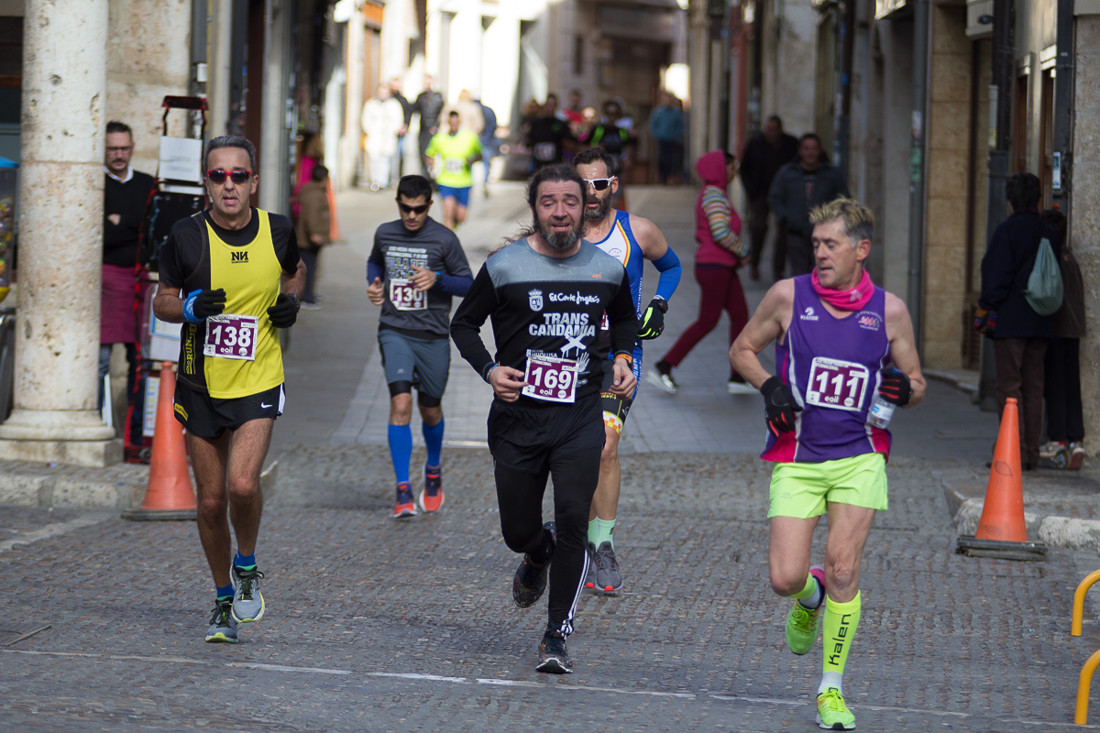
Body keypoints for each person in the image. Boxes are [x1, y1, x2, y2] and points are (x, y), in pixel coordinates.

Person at [730, 197, 926, 731]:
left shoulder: (889, 311)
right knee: (785, 577)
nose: (819, 253)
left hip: (860, 458)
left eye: (831, 244)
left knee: (845, 568)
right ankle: (808, 598)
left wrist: (903, 387)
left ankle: (830, 689)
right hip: (797, 456)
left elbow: (917, 383)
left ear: (861, 250)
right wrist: (769, 385)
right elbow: (742, 348)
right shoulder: (788, 296)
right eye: (816, 244)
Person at [450, 164, 639, 674]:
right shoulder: (505, 266)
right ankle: (538, 552)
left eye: (571, 202)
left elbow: (624, 318)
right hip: (518, 420)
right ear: (534, 208)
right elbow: (463, 324)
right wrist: (489, 370)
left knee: (575, 519)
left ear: (586, 207)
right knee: (518, 530)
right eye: (550, 202)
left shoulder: (606, 268)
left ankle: (556, 634)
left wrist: (622, 359)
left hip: (579, 419)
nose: (561, 211)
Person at [153, 135, 306, 644]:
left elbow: (295, 271)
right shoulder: (186, 236)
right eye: (218, 175)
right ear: (205, 183)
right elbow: (162, 300)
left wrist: (291, 302)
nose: (229, 185)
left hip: (259, 375)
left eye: (238, 175)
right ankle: (223, 599)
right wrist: (191, 309)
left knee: (243, 485)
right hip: (200, 381)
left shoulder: (277, 230)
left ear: (254, 182)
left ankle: (246, 564)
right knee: (211, 501)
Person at [573, 147, 681, 594]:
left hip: (620, 354)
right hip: (566, 356)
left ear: (613, 185)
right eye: (583, 185)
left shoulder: (637, 230)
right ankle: (568, 531)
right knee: (567, 451)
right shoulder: (559, 233)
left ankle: (602, 545)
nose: (591, 193)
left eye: (599, 184)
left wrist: (658, 302)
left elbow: (671, 266)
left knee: (605, 445)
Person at [367, 175, 473, 517]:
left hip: (432, 336)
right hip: (394, 330)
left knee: (430, 409)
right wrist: (374, 282)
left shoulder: (445, 239)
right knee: (400, 404)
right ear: (398, 203)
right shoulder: (385, 233)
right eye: (405, 208)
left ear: (429, 205)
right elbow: (374, 261)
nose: (411, 216)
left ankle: (433, 467)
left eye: (418, 209)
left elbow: (470, 285)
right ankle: (402, 489)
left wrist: (438, 279)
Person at [649, 151, 753, 395]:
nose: (734, 172)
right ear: (720, 169)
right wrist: (743, 251)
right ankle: (664, 366)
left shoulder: (715, 193)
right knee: (708, 320)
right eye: (731, 167)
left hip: (722, 266)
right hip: (715, 266)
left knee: (740, 316)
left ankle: (738, 376)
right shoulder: (714, 195)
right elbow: (720, 231)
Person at [977, 172, 1061, 470]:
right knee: (1034, 388)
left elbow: (995, 279)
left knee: (1009, 389)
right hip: (1041, 320)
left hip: (1011, 322)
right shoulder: (1048, 232)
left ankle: (1012, 452)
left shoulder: (1007, 231)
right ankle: (1031, 452)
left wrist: (987, 306)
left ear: (1011, 200)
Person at [101, 120, 157, 461]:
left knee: (141, 363)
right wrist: (126, 226)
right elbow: (100, 237)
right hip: (106, 282)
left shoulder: (148, 185)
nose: (119, 155)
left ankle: (136, 440)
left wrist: (120, 223)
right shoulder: (93, 184)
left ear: (133, 148)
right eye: (112, 149)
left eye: (123, 148)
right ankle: (101, 433)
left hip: (139, 282)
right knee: (101, 362)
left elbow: (147, 232)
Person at [1038, 206, 1086, 469]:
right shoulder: (1070, 257)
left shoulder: (1051, 257)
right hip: (1074, 330)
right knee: (1072, 384)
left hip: (1056, 328)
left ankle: (1057, 438)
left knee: (1055, 384)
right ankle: (1075, 438)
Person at [767, 133, 848, 276]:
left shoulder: (832, 175)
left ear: (819, 150)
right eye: (806, 148)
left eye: (814, 149)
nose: (810, 153)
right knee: (800, 275)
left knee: (823, 274)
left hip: (825, 235)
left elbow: (844, 200)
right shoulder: (787, 173)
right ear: (799, 150)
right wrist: (786, 218)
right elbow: (775, 198)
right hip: (796, 234)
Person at [740, 115, 799, 281]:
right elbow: (744, 167)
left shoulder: (791, 145)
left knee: (783, 232)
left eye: (774, 130)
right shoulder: (756, 143)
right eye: (768, 129)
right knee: (757, 228)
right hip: (760, 192)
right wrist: (751, 190)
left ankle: (778, 270)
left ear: (781, 130)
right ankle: (754, 263)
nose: (770, 133)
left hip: (784, 195)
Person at [424, 111, 482, 230]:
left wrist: (472, 159)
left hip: (464, 182)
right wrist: (430, 164)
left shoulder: (470, 137)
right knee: (448, 214)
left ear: (459, 122)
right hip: (446, 181)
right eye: (452, 122)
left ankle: (455, 220)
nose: (454, 125)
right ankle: (448, 240)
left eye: (456, 122)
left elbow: (480, 155)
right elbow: (429, 154)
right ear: (448, 122)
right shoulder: (439, 139)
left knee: (461, 217)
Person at [295, 164, 331, 308]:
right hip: (308, 239)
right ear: (324, 178)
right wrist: (314, 234)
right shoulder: (315, 194)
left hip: (306, 238)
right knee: (308, 268)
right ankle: (306, 297)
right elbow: (312, 216)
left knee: (309, 267)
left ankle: (309, 294)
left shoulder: (311, 191)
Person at [361, 84, 405, 191]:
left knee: (385, 160)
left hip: (387, 137)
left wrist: (393, 129)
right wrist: (369, 130)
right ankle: (374, 181)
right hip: (374, 136)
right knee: (374, 159)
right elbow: (365, 119)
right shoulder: (371, 104)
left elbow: (398, 120)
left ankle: (383, 182)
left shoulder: (394, 105)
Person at [648, 92, 685, 185]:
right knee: (661, 159)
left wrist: (676, 135)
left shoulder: (676, 113)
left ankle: (670, 177)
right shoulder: (658, 112)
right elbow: (653, 124)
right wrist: (656, 134)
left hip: (672, 140)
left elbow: (680, 126)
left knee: (671, 160)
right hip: (661, 139)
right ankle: (662, 178)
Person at [414, 74, 445, 179]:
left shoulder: (438, 96)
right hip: (423, 130)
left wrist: (436, 126)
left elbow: (442, 113)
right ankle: (425, 176)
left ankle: (433, 177)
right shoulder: (421, 96)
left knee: (433, 155)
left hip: (434, 131)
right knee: (423, 154)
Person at [388, 77, 415, 181]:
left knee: (399, 154)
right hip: (389, 133)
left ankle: (398, 176)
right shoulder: (388, 99)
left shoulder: (403, 100)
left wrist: (405, 126)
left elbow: (408, 114)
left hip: (400, 132)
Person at [476, 96, 499, 194]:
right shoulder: (489, 111)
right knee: (486, 163)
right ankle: (484, 182)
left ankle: (479, 183)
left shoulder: (476, 111)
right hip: (488, 140)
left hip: (480, 140)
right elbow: (494, 125)